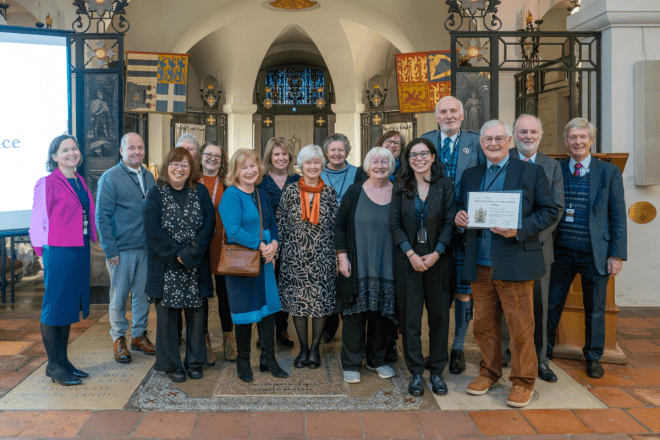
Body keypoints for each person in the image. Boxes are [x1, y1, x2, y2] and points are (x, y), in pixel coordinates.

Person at [455, 120, 558, 408]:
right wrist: (460, 217)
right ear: (481, 143)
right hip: (481, 262)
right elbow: (462, 208)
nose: (493, 144)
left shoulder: (531, 172)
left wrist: (520, 228)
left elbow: (550, 211)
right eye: (487, 139)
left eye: (499, 138)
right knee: (483, 326)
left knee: (520, 327)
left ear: (509, 141)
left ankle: (523, 381)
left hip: (515, 259)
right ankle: (489, 372)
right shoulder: (471, 175)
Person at [546, 118, 627, 379]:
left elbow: (617, 215)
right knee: (551, 305)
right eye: (573, 137)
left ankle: (593, 357)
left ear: (591, 141)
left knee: (595, 309)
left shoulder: (608, 172)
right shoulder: (556, 168)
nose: (578, 142)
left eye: (583, 137)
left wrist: (616, 253)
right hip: (560, 252)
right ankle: (543, 353)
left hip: (596, 253)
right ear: (566, 141)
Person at [421, 95, 485, 375]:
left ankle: (458, 346)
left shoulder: (477, 142)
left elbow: (486, 181)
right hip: (432, 231)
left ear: (462, 116)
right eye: (443, 112)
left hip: (465, 229)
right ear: (436, 116)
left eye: (453, 112)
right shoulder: (424, 141)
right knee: (436, 292)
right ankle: (437, 348)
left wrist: (471, 214)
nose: (448, 116)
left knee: (463, 292)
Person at [500, 115, 564, 382]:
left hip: (538, 246)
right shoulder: (504, 158)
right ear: (514, 135)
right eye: (523, 131)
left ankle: (540, 359)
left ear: (540, 134)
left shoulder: (552, 166)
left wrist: (533, 236)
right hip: (506, 245)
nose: (528, 136)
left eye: (533, 132)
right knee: (507, 304)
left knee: (538, 305)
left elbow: (557, 209)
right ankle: (506, 353)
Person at [29, 135, 97, 386]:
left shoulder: (80, 181)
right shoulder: (47, 183)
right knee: (53, 308)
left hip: (79, 249)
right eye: (65, 149)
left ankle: (64, 361)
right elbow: (38, 220)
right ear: (54, 156)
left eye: (75, 148)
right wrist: (40, 254)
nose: (72, 152)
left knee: (67, 307)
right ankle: (53, 365)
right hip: (57, 251)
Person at [390, 138, 456, 397]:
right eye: (413, 155)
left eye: (423, 154)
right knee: (410, 319)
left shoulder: (445, 185)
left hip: (439, 260)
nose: (418, 158)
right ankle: (416, 372)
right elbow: (395, 225)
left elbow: (451, 222)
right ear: (407, 159)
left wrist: (437, 253)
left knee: (439, 318)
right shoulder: (400, 186)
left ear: (432, 156)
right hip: (408, 261)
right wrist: (411, 254)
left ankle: (437, 371)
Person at [143, 147, 215, 383]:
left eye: (185, 165)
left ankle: (194, 362)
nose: (179, 169)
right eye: (175, 164)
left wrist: (191, 252)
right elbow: (152, 232)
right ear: (167, 166)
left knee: (196, 317)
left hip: (195, 265)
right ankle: (171, 364)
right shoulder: (155, 193)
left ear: (191, 169)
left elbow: (208, 226)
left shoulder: (201, 191)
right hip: (166, 267)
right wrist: (177, 254)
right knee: (167, 320)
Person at [218, 149, 288, 383]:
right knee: (244, 314)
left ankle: (268, 358)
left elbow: (272, 222)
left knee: (267, 311)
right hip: (242, 264)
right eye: (244, 167)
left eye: (253, 166)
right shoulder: (230, 195)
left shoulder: (262, 194)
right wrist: (261, 245)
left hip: (265, 261)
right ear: (235, 172)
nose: (250, 171)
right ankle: (243, 362)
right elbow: (234, 230)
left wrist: (274, 244)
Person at [335, 147, 398, 384]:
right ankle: (351, 362)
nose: (380, 166)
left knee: (382, 314)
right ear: (366, 165)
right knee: (354, 314)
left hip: (388, 264)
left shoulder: (399, 193)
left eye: (385, 162)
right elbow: (340, 226)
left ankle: (377, 360)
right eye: (375, 161)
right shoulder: (354, 191)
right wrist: (342, 256)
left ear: (391, 166)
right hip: (357, 263)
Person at [96, 132, 156, 364]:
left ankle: (139, 336)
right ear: (121, 151)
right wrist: (110, 250)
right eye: (131, 148)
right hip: (121, 251)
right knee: (119, 298)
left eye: (140, 147)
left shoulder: (149, 176)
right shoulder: (110, 177)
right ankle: (118, 338)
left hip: (145, 249)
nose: (136, 152)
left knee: (142, 296)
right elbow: (102, 216)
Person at [277, 144, 339, 369]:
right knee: (298, 305)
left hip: (322, 259)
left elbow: (335, 227)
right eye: (308, 162)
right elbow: (281, 223)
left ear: (322, 165)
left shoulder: (330, 193)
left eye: (316, 162)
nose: (312, 166)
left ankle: (315, 349)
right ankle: (303, 349)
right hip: (294, 260)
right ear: (301, 166)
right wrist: (276, 253)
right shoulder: (291, 191)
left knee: (320, 305)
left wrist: (338, 257)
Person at [319, 133, 366, 342]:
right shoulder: (317, 173)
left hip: (351, 235)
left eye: (341, 150)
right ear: (326, 152)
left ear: (347, 152)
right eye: (332, 150)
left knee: (348, 277)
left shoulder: (360, 173)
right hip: (322, 236)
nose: (337, 154)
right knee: (327, 281)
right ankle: (329, 326)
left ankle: (350, 322)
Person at [257, 137, 300, 348]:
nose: (281, 158)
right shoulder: (261, 181)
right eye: (276, 154)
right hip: (266, 244)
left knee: (286, 289)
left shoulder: (298, 180)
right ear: (269, 157)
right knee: (266, 287)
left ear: (290, 156)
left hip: (293, 244)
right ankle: (264, 332)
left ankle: (282, 330)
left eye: (284, 154)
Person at [198, 141, 236, 365]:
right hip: (200, 247)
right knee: (202, 296)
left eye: (217, 156)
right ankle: (203, 342)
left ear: (222, 162)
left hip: (223, 247)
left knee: (226, 296)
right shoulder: (192, 182)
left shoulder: (228, 184)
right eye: (208, 154)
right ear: (201, 157)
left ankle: (229, 341)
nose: (212, 159)